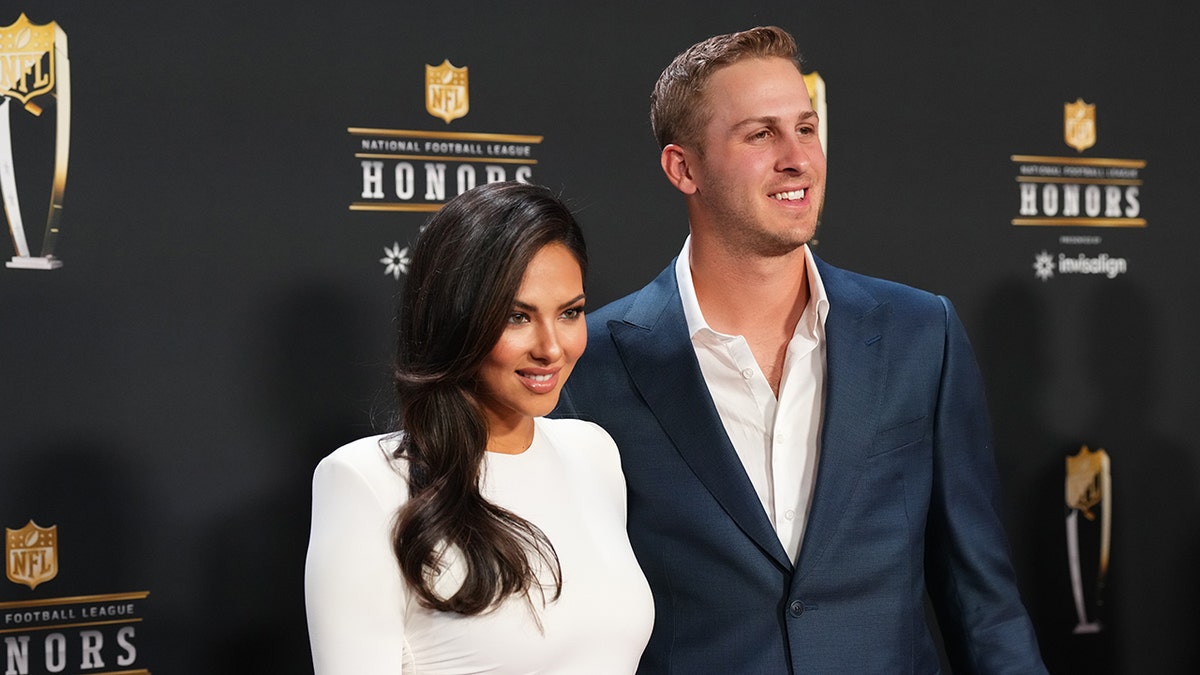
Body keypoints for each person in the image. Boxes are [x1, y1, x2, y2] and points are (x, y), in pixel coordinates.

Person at [554, 26, 1048, 673]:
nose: (798, 158)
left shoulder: (919, 333)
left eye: (807, 128)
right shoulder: (593, 364)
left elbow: (984, 603)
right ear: (684, 168)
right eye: (761, 134)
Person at [305, 181, 654, 673]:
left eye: (570, 313)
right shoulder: (367, 481)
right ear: (457, 320)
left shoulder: (593, 452)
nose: (552, 348)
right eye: (517, 316)